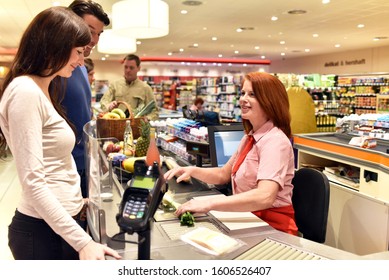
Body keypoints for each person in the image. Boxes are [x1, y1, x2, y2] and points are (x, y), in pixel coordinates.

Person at [0, 6, 120, 260]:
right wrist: (83, 242)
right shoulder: (25, 91)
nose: (80, 61)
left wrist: (79, 202)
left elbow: (55, 165)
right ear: (55, 46)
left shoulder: (43, 89)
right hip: (42, 233)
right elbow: (33, 182)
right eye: (77, 52)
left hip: (60, 223)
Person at [165, 72, 298, 235]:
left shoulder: (275, 141)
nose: (243, 99)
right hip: (249, 218)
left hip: (272, 227)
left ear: (269, 101)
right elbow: (223, 174)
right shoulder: (249, 138)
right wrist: (191, 171)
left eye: (252, 94)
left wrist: (210, 203)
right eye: (242, 93)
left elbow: (265, 196)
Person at [61, 0, 110, 199]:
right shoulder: (56, 69)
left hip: (85, 163)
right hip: (64, 167)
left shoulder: (80, 66)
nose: (95, 39)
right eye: (90, 31)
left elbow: (82, 110)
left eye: (99, 33)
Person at [100, 54, 159, 120]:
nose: (128, 70)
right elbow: (103, 102)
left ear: (138, 68)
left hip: (136, 126)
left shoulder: (146, 88)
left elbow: (154, 111)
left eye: (131, 68)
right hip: (116, 125)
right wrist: (109, 106)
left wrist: (147, 118)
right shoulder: (115, 85)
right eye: (126, 67)